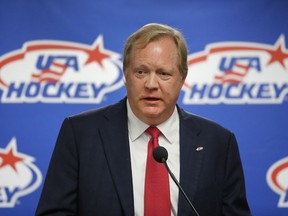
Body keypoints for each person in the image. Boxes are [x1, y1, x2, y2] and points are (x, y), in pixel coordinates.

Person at [36, 23, 251, 216]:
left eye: (164, 73)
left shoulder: (219, 142)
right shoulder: (80, 134)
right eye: (141, 72)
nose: (151, 84)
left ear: (182, 79)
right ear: (125, 74)